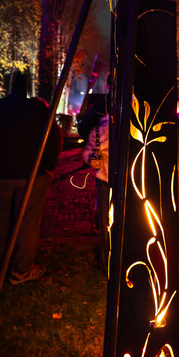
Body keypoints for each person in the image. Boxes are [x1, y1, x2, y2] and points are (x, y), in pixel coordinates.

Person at [0, 71, 62, 284]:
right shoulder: (38, 109)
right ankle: (21, 269)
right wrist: (48, 166)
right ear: (28, 87)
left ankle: (4, 262)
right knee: (28, 221)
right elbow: (54, 139)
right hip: (32, 175)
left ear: (8, 86)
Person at [78, 79, 110, 274]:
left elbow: (89, 150)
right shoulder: (139, 110)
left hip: (106, 175)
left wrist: (99, 163)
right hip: (131, 177)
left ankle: (107, 260)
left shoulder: (100, 113)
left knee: (106, 219)